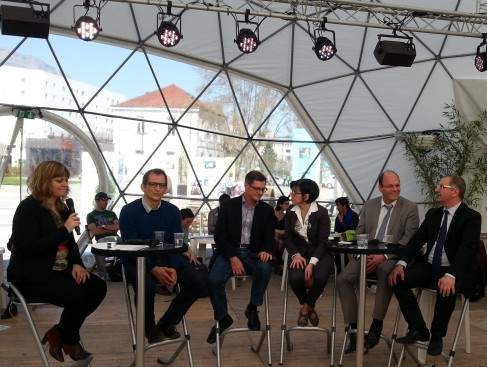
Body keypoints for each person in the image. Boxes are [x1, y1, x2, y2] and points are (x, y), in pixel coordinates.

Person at [7, 161, 107, 363]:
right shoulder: (28, 209)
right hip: (32, 275)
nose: (64, 184)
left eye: (66, 180)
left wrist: (77, 263)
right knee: (78, 298)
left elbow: (69, 244)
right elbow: (29, 247)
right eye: (59, 180)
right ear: (45, 181)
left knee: (97, 287)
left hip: (58, 270)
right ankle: (70, 341)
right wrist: (64, 229)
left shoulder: (61, 207)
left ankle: (58, 332)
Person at [389, 175, 481, 356]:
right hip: (430, 265)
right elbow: (416, 241)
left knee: (447, 287)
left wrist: (451, 275)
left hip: (456, 269)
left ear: (454, 191)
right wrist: (401, 263)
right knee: (397, 279)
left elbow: (467, 249)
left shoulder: (471, 217)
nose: (436, 189)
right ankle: (418, 329)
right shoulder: (433, 214)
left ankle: (437, 336)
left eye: (441, 186)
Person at [119, 168, 207, 343]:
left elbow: (177, 245)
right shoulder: (129, 211)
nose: (158, 189)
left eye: (162, 185)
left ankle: (167, 322)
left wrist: (173, 268)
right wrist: (154, 269)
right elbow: (130, 247)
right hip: (138, 262)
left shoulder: (173, 211)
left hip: (168, 259)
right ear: (143, 186)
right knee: (147, 285)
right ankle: (149, 328)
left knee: (200, 282)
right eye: (153, 184)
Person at [337, 170, 420, 354]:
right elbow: (359, 233)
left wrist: (384, 256)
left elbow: (408, 240)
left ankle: (376, 324)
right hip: (366, 255)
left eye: (397, 185)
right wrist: (364, 255)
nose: (395, 189)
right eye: (390, 186)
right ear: (380, 187)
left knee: (384, 270)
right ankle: (354, 330)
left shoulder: (410, 208)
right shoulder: (370, 205)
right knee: (343, 278)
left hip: (392, 257)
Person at [206, 170, 276, 344]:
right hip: (229, 251)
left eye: (263, 189)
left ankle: (252, 308)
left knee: (265, 268)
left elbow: (270, 236)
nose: (260, 193)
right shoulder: (229, 206)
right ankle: (223, 318)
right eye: (256, 189)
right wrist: (232, 257)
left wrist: (267, 249)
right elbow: (219, 235)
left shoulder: (267, 210)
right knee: (213, 280)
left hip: (253, 253)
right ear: (246, 185)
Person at [285, 179, 335, 327]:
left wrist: (312, 263)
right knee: (294, 278)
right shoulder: (290, 211)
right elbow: (288, 238)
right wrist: (296, 255)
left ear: (306, 196)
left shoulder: (321, 213)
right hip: (299, 252)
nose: (291, 195)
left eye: (295, 193)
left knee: (320, 277)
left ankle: (305, 309)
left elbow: (322, 242)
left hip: (320, 253)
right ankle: (310, 306)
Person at [86, 192, 119, 279]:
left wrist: (103, 227)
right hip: (102, 240)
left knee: (128, 244)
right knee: (98, 247)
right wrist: (111, 228)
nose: (106, 202)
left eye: (107, 200)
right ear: (97, 201)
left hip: (116, 239)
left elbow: (118, 227)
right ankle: (102, 275)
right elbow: (95, 232)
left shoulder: (112, 213)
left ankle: (124, 271)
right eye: (103, 200)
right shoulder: (91, 215)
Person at [273, 195, 290, 274]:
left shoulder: (286, 216)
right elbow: (269, 227)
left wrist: (282, 231)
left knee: (280, 241)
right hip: (272, 235)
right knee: (278, 239)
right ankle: (277, 262)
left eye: (288, 203)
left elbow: (287, 229)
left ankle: (275, 259)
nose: (288, 205)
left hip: (281, 237)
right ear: (280, 204)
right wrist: (279, 231)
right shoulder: (272, 213)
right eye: (286, 204)